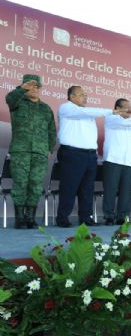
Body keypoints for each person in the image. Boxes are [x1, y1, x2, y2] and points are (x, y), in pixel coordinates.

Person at [56, 86, 124, 227]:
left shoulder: (87, 113)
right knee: (69, 187)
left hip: (89, 155)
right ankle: (62, 217)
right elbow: (85, 112)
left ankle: (85, 218)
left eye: (86, 94)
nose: (85, 97)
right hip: (72, 153)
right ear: (71, 96)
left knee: (87, 188)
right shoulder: (66, 108)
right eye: (81, 94)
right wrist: (111, 111)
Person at [5, 74, 56, 229]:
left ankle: (30, 218)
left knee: (35, 184)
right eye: (30, 85)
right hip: (21, 151)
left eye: (37, 86)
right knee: (20, 183)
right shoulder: (17, 102)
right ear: (24, 86)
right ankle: (20, 219)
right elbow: (9, 98)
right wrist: (21, 89)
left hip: (40, 153)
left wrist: (49, 149)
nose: (34, 89)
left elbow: (52, 131)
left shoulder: (46, 108)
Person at [102, 98, 131, 225]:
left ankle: (122, 217)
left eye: (130, 106)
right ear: (117, 108)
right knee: (110, 190)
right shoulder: (111, 118)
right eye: (126, 106)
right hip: (113, 159)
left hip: (128, 162)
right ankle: (109, 216)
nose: (129, 109)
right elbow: (122, 123)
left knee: (126, 191)